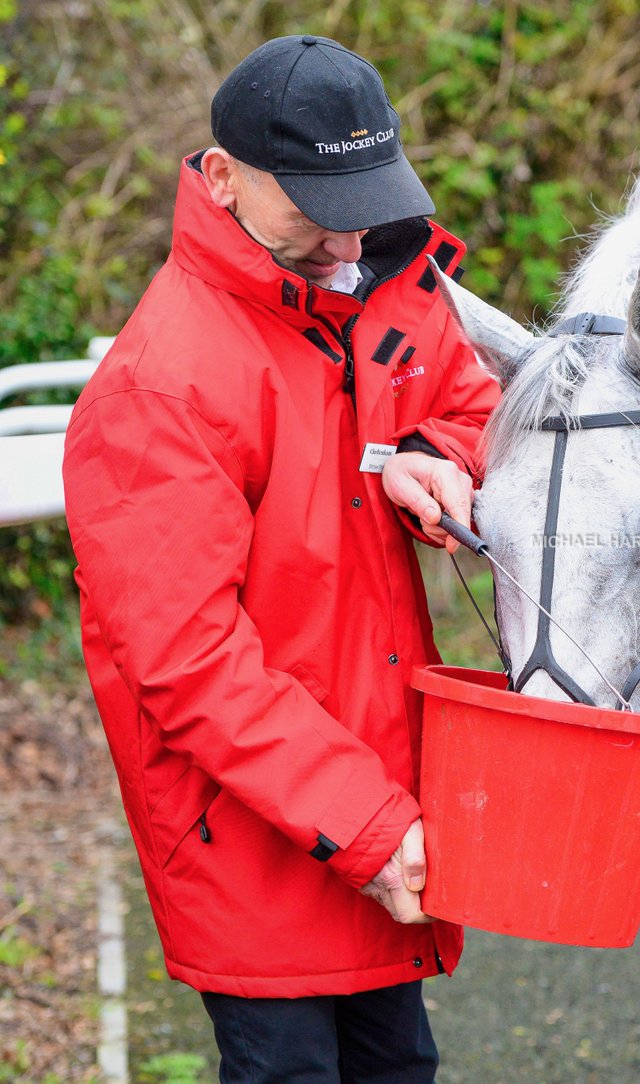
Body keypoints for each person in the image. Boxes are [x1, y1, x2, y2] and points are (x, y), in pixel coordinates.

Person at [63, 35, 499, 1083]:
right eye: (314, 201)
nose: (348, 233)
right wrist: (367, 823)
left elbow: (470, 399)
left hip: (376, 800)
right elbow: (186, 661)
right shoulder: (161, 388)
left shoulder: (375, 283)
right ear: (221, 179)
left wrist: (436, 459)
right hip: (257, 836)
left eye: (362, 194)